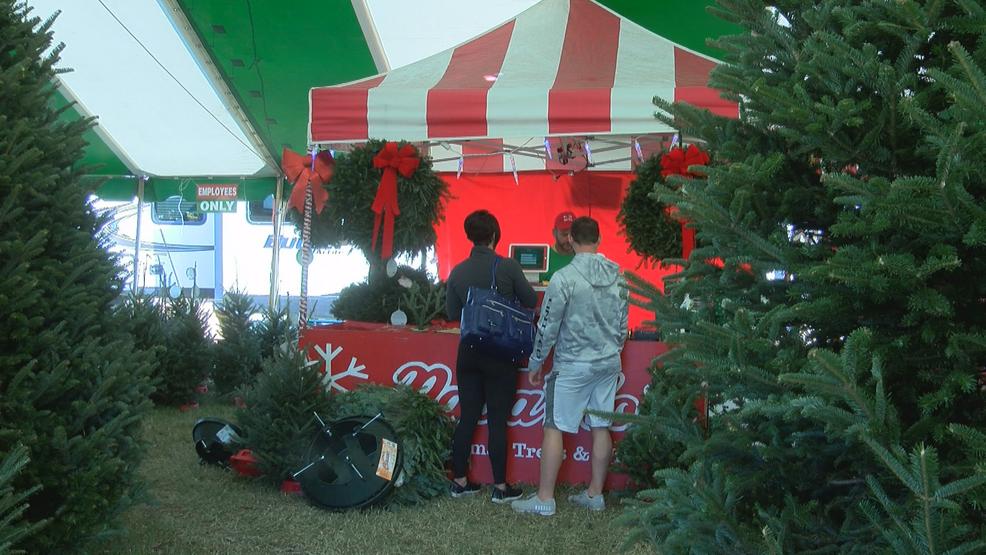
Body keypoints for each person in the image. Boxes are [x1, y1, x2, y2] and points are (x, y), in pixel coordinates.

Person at [511, 216, 629, 516]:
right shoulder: (619, 276)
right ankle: (595, 494)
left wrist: (536, 362)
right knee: (601, 425)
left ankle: (545, 498)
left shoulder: (564, 278)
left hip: (573, 365)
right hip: (608, 363)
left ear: (571, 241)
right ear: (599, 239)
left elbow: (547, 326)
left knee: (554, 426)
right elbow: (623, 325)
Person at [446, 209, 539, 503]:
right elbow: (531, 300)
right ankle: (501, 488)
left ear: (470, 236)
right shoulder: (508, 267)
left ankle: (459, 482)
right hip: (501, 354)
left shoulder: (457, 271)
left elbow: (451, 314)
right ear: (495, 236)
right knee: (498, 421)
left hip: (468, 353)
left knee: (468, 418)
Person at [537, 211, 576, 283]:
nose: (569, 239)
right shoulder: (542, 257)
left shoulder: (583, 257)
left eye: (573, 234)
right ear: (554, 233)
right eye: (564, 235)